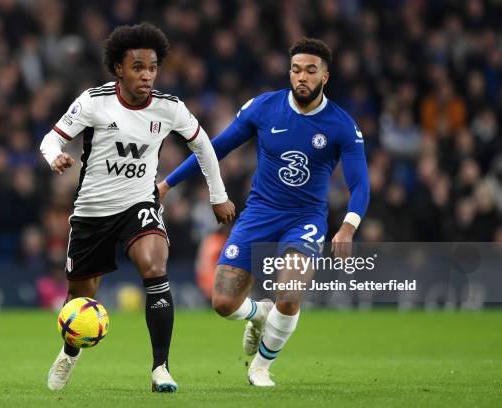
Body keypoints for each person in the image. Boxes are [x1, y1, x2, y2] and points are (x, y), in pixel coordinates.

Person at [158, 38, 369, 387]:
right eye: (296, 70)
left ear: (325, 77)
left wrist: (348, 226)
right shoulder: (264, 108)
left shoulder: (341, 125)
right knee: (224, 302)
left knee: (289, 295)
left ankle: (260, 367)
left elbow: (360, 183)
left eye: (311, 71)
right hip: (259, 214)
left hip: (306, 219)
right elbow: (214, 150)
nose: (302, 77)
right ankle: (258, 314)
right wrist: (167, 185)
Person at [39, 23, 235, 393]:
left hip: (139, 203)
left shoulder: (169, 107)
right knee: (80, 298)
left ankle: (160, 368)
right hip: (92, 212)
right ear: (119, 68)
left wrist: (217, 195)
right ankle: (69, 354)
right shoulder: (94, 101)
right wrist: (55, 157)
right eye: (138, 67)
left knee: (154, 266)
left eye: (152, 67)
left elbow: (203, 145)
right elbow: (51, 139)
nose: (146, 75)